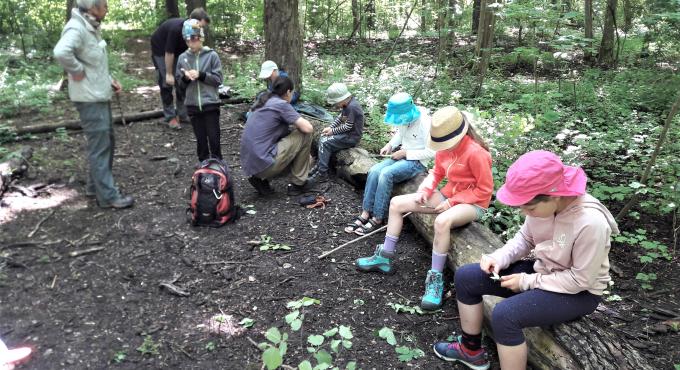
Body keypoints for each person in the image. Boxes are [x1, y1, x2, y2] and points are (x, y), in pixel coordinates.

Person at [432, 150, 619, 370]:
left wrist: (526, 281)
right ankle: (470, 350)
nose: (524, 213)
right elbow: (525, 238)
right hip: (545, 271)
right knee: (467, 277)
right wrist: (500, 257)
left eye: (529, 208)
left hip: (580, 293)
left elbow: (581, 280)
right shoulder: (541, 207)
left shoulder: (590, 223)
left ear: (555, 195)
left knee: (505, 315)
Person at [355, 106, 493, 310]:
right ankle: (385, 257)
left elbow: (485, 190)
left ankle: (435, 279)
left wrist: (453, 202)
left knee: (442, 221)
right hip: (448, 195)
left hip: (473, 203)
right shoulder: (443, 149)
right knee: (396, 203)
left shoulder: (476, 153)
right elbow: (436, 173)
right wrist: (425, 190)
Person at [54, 0, 134, 209]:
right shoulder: (77, 28)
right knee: (101, 146)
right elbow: (61, 52)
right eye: (104, 5)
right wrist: (77, 71)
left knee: (105, 142)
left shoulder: (91, 27)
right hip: (89, 98)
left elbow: (95, 63)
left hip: (99, 94)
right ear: (92, 8)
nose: (107, 8)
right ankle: (108, 196)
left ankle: (94, 186)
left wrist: (109, 80)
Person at [344, 92, 433, 236]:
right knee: (374, 171)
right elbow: (400, 134)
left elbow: (431, 152)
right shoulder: (404, 118)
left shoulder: (426, 123)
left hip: (417, 162)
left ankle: (378, 217)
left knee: (386, 174)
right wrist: (390, 145)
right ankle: (366, 212)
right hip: (402, 156)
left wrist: (405, 153)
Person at [239, 76, 315, 196]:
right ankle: (298, 184)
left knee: (301, 149)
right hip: (264, 163)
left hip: (250, 164)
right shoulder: (281, 104)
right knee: (304, 134)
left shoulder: (263, 100)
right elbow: (308, 128)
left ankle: (259, 179)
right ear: (288, 92)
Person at [150, 8, 210, 129]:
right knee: (166, 83)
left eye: (203, 27)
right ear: (191, 21)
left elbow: (191, 52)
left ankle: (183, 114)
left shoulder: (196, 33)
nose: (201, 29)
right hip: (161, 49)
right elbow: (169, 53)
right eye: (200, 25)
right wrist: (168, 73)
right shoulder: (175, 30)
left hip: (177, 52)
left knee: (182, 80)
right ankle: (170, 117)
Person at [175, 19, 223, 162]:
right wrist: (185, 79)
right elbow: (179, 86)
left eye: (194, 39)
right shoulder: (182, 58)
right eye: (188, 40)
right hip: (193, 106)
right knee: (201, 141)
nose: (191, 43)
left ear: (201, 38)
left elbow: (218, 79)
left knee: (214, 139)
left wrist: (201, 75)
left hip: (210, 104)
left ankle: (218, 167)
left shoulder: (212, 55)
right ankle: (203, 168)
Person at [308, 83, 365, 184]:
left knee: (325, 142)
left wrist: (332, 131)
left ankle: (322, 173)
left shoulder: (352, 107)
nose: (335, 105)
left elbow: (348, 126)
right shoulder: (347, 104)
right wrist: (331, 127)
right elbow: (340, 118)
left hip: (351, 137)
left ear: (342, 99)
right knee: (323, 137)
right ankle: (321, 164)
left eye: (336, 103)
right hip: (347, 134)